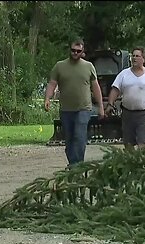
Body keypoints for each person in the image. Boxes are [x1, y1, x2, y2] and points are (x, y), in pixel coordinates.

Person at [44, 39, 105, 167]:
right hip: (66, 109)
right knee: (70, 139)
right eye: (73, 50)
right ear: (69, 50)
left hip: (83, 108)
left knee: (79, 136)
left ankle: (78, 165)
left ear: (82, 52)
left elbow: (95, 87)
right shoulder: (60, 66)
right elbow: (52, 83)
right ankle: (73, 164)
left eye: (78, 51)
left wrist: (101, 107)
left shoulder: (88, 66)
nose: (75, 53)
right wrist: (47, 99)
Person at [105, 46, 145, 151]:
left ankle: (141, 164)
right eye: (133, 56)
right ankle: (131, 165)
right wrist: (110, 104)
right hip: (127, 114)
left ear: (143, 59)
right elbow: (115, 90)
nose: (134, 58)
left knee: (143, 143)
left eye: (137, 56)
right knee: (128, 144)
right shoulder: (123, 74)